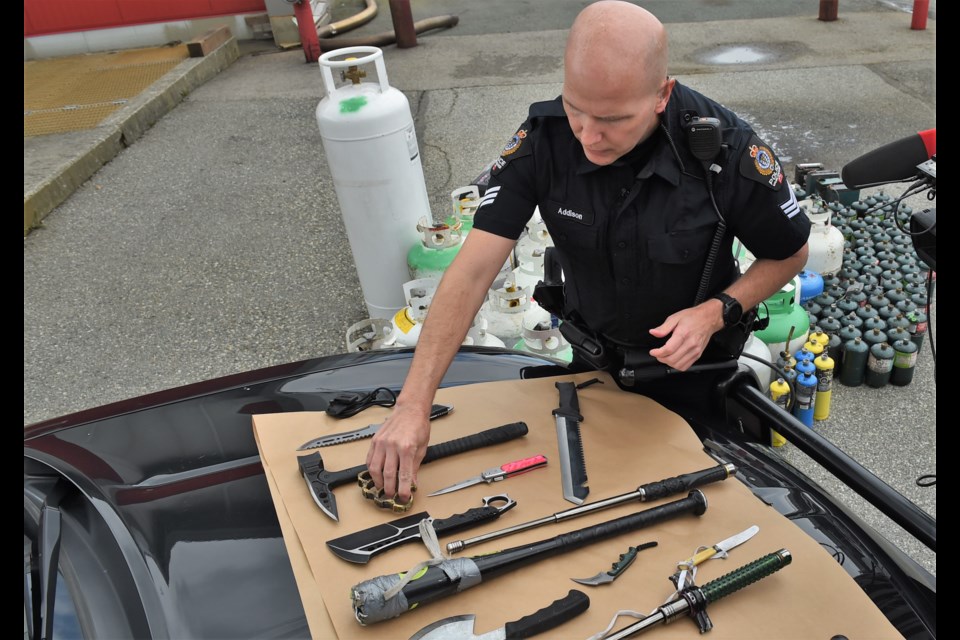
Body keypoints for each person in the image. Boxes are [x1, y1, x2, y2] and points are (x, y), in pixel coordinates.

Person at [366, 1, 810, 502]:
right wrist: (412, 405)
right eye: (577, 109)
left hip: (694, 375)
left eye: (614, 119)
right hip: (590, 365)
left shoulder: (726, 151)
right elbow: (470, 273)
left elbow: (790, 254)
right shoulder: (546, 140)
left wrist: (715, 312)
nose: (589, 137)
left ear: (663, 94)